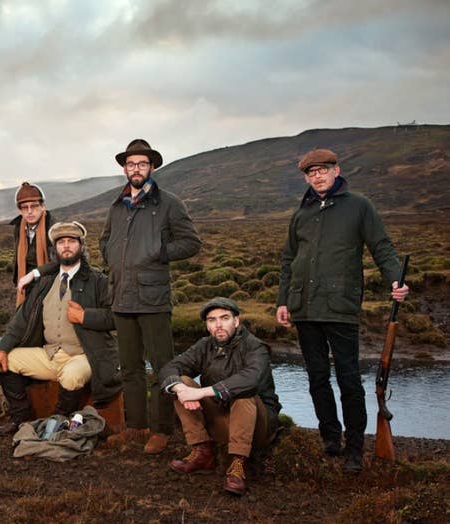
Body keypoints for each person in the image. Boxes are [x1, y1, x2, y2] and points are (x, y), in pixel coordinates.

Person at [276, 148, 409, 473]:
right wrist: (283, 301)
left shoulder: (359, 206)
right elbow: (288, 261)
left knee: (349, 379)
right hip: (304, 307)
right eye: (311, 173)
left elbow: (381, 247)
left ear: (336, 171)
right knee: (317, 378)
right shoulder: (302, 212)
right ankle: (330, 438)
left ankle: (354, 448)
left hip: (340, 308)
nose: (317, 176)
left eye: (322, 170)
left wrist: (396, 280)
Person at [98, 138, 203, 454]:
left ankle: (161, 429)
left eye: (142, 164)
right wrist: (113, 259)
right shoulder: (118, 205)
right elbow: (105, 241)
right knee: (129, 368)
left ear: (152, 167)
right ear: (125, 169)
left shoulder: (168, 203)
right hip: (122, 297)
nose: (136, 169)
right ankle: (136, 427)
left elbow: (191, 242)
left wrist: (157, 252)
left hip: (153, 299)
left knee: (162, 368)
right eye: (131, 164)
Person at [0, 221, 121, 436]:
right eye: (61, 243)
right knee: (6, 361)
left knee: (71, 376)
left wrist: (85, 316)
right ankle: (20, 419)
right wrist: (2, 348)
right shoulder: (44, 283)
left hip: (85, 355)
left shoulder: (98, 280)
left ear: (81, 246)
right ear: (55, 249)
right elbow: (21, 320)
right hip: (50, 354)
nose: (66, 246)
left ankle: (56, 422)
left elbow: (116, 317)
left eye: (72, 241)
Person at [160, 297, 281, 495]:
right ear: (207, 325)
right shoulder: (205, 345)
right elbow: (170, 367)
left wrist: (200, 392)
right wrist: (181, 390)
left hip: (256, 426)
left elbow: (250, 379)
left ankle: (238, 464)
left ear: (236, 321)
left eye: (224, 318)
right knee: (180, 381)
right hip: (221, 420)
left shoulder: (256, 347)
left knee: (243, 393)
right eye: (212, 320)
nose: (218, 325)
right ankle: (203, 451)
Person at [10, 182, 55, 305]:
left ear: (43, 206)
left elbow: (58, 261)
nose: (29, 212)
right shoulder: (19, 227)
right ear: (20, 210)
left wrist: (34, 274)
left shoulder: (53, 228)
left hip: (49, 284)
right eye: (25, 207)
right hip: (26, 284)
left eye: (34, 206)